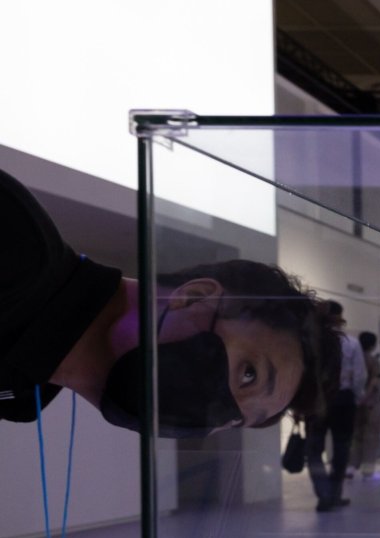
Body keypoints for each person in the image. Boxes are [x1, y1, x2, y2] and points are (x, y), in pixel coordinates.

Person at [2, 168, 324, 436]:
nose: (216, 414)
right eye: (249, 374)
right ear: (195, 297)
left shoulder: (22, 391)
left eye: (235, 420)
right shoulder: (15, 244)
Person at [304, 301, 363, 511]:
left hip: (315, 399)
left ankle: (324, 493)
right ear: (339, 316)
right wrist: (356, 397)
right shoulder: (351, 343)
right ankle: (334, 493)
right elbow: (359, 376)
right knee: (341, 448)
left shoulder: (309, 341)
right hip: (343, 399)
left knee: (314, 449)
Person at [351, 331, 380, 478]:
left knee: (355, 435)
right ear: (373, 345)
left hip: (355, 402)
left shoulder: (354, 360)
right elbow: (375, 381)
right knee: (371, 437)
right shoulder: (373, 361)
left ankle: (352, 466)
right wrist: (367, 396)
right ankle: (368, 469)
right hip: (371, 403)